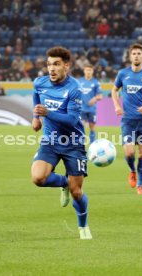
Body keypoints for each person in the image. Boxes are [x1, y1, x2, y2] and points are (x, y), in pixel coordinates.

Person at [31, 46, 92, 239]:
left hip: (73, 143)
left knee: (77, 192)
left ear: (67, 65)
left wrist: (47, 113)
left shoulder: (74, 89)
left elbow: (72, 120)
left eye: (56, 64)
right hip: (50, 140)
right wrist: (36, 117)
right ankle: (64, 182)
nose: (52, 69)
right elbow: (36, 96)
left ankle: (83, 226)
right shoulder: (40, 83)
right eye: (49, 65)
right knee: (38, 178)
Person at [111, 44, 142, 195]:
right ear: (130, 56)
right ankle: (132, 170)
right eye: (134, 54)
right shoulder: (122, 74)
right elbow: (114, 90)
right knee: (129, 153)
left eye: (139, 53)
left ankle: (140, 184)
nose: (136, 56)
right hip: (128, 120)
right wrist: (116, 105)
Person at [79, 64, 103, 144]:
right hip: (82, 109)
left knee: (92, 128)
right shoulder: (80, 81)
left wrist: (95, 98)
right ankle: (80, 146)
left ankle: (92, 145)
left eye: (90, 70)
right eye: (87, 70)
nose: (88, 72)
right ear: (84, 71)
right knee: (80, 128)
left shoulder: (96, 82)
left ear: (92, 71)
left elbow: (100, 96)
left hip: (92, 109)